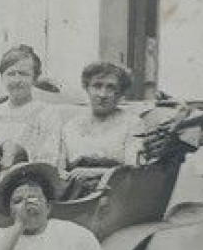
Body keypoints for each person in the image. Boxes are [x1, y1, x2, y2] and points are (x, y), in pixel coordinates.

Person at [57, 59, 146, 194]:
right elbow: (59, 168)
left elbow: (133, 169)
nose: (102, 94)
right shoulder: (71, 126)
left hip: (113, 192)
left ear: (120, 94)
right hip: (72, 191)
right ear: (87, 88)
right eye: (97, 86)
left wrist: (93, 172)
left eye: (111, 87)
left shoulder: (132, 123)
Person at [0, 44, 61, 166]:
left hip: (28, 177)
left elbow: (48, 159)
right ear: (2, 77)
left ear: (35, 78)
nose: (17, 80)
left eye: (23, 74)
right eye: (11, 74)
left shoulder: (47, 114)